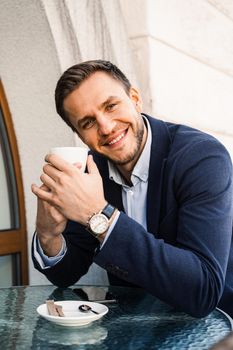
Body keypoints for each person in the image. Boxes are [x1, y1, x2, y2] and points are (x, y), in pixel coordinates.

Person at [31, 60, 233, 318]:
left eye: (111, 106)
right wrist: (49, 236)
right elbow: (66, 274)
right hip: (135, 326)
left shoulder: (201, 158)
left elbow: (203, 290)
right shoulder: (92, 171)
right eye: (88, 123)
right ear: (80, 136)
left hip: (213, 325)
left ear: (135, 99)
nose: (106, 127)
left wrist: (98, 215)